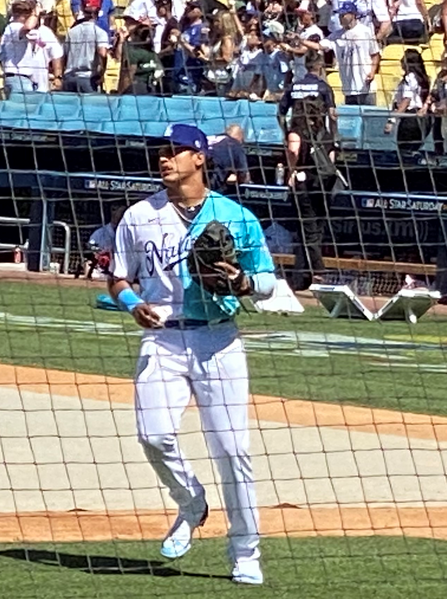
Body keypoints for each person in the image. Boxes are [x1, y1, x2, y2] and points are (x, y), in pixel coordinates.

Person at [108, 123, 276, 585]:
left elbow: (267, 281)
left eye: (175, 151)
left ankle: (245, 553)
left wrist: (242, 282)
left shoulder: (235, 215)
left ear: (199, 158)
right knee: (153, 436)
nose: (165, 159)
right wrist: (132, 304)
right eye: (161, 152)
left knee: (232, 450)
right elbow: (119, 277)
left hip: (218, 340)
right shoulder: (139, 216)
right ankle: (191, 501)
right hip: (162, 339)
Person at [285, 90, 338, 290]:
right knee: (316, 230)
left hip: (304, 183)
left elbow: (293, 150)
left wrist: (292, 170)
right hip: (323, 185)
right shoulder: (325, 133)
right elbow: (331, 159)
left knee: (306, 230)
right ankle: (303, 277)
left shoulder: (297, 131)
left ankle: (318, 272)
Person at [298, 1, 381, 105]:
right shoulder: (336, 36)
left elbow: (375, 54)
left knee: (369, 120)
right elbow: (319, 46)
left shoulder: (365, 31)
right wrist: (301, 41)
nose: (340, 18)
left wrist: (372, 72)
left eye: (343, 15)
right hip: (348, 89)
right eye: (339, 15)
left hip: (366, 88)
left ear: (353, 14)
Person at [0, 0, 63, 96]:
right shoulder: (14, 27)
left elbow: (56, 53)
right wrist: (35, 13)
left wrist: (57, 77)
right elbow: (28, 27)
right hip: (19, 78)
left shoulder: (45, 31)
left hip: (36, 81)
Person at [279, 49, 337, 137]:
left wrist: (286, 134)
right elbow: (332, 115)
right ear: (320, 67)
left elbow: (280, 114)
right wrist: (334, 137)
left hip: (297, 135)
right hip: (318, 134)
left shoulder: (293, 86)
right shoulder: (324, 87)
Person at [384, 48, 431, 153]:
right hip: (421, 118)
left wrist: (392, 120)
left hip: (411, 118)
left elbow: (406, 100)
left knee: (404, 150)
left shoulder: (410, 78)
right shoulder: (422, 79)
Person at [63, 0, 110, 93]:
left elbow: (64, 55)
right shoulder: (100, 33)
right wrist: (102, 72)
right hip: (88, 79)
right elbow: (102, 54)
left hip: (69, 79)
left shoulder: (71, 32)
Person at [117, 23, 164, 94]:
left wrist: (120, 93)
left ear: (136, 36)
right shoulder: (153, 54)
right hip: (151, 90)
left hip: (135, 89)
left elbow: (129, 75)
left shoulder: (134, 53)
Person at [209, 124, 251, 192]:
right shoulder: (235, 145)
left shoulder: (210, 138)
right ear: (240, 137)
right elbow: (243, 177)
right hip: (212, 186)